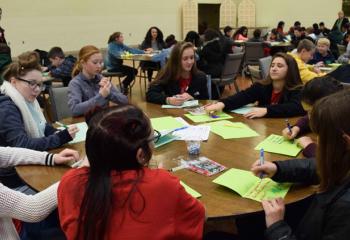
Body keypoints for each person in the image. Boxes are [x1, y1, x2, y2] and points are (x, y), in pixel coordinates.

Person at [58, 105, 205, 240]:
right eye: (153, 138)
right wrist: (157, 179)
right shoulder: (162, 184)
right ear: (140, 155)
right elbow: (198, 216)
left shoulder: (70, 182)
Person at [252, 88, 350, 240]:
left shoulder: (345, 209)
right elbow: (317, 166)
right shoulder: (344, 162)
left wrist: (277, 228)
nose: (317, 142)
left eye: (321, 138)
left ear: (345, 142)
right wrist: (278, 168)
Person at [0, 51, 78, 151]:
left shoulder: (27, 100)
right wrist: (60, 138)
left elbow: (41, 126)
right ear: (14, 82)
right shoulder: (6, 108)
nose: (37, 89)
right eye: (32, 83)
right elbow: (21, 145)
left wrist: (56, 132)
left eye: (39, 84)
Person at [0, 147, 79, 239]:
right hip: (16, 231)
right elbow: (33, 209)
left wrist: (51, 158)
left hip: (15, 219)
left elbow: (9, 154)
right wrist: (75, 175)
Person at [205, 52, 305, 118]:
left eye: (280, 66)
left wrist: (267, 110)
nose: (274, 69)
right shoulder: (262, 86)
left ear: (290, 70)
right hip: (265, 128)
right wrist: (221, 104)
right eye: (272, 65)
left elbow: (295, 107)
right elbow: (243, 96)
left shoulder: (298, 90)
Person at [281, 76, 344, 158]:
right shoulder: (336, 111)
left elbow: (336, 164)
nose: (309, 117)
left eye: (311, 112)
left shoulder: (343, 127)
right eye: (307, 112)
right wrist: (297, 128)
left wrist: (310, 147)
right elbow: (307, 119)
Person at [68, 45, 128, 117]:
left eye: (101, 62)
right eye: (95, 62)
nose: (99, 66)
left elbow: (125, 100)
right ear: (83, 63)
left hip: (103, 120)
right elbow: (75, 110)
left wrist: (109, 94)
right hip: (86, 123)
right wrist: (101, 96)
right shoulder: (75, 83)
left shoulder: (102, 79)